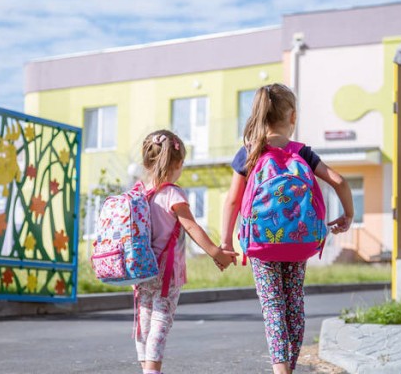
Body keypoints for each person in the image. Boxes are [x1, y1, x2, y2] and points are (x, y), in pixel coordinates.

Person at [221, 83, 354, 374]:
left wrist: (225, 241)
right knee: (294, 302)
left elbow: (232, 200)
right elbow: (340, 181)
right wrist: (348, 214)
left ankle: (281, 370)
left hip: (261, 243)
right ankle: (289, 367)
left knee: (272, 307)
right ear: (292, 117)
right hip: (298, 240)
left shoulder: (250, 153)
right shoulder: (302, 152)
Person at [134, 129, 237, 374]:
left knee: (144, 321)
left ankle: (145, 368)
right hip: (167, 274)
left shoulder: (138, 193)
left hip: (141, 270)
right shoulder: (173, 193)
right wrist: (216, 253)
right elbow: (191, 226)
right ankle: (152, 371)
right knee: (161, 320)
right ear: (178, 164)